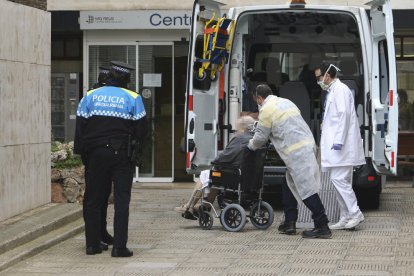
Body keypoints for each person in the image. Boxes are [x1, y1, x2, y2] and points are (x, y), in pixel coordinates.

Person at [74, 61, 147, 257]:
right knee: (122, 201)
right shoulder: (133, 97)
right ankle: (119, 247)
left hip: (96, 155)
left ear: (109, 76)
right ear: (126, 79)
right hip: (122, 155)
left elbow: (80, 129)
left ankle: (92, 245)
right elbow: (141, 131)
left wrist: (83, 155)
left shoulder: (90, 96)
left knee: (94, 200)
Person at [248, 84, 331, 239]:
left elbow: (260, 138)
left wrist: (249, 146)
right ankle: (290, 222)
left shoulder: (266, 109)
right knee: (288, 184)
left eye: (256, 101)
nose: (257, 104)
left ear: (259, 98)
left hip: (296, 153)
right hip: (307, 146)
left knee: (307, 190)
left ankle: (322, 225)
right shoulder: (287, 102)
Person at [314, 64, 366, 230]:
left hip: (341, 146)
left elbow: (344, 116)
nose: (318, 81)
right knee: (339, 181)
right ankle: (345, 216)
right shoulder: (333, 91)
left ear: (328, 75)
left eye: (319, 77)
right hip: (337, 147)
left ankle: (355, 213)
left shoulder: (341, 90)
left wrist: (339, 141)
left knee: (338, 180)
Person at [174, 115, 256, 218]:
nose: (236, 130)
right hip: (246, 174)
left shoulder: (240, 139)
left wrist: (215, 160)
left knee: (206, 175)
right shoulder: (254, 138)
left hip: (234, 174)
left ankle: (189, 206)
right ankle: (205, 206)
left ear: (243, 128)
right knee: (215, 178)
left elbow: (226, 155)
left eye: (238, 127)